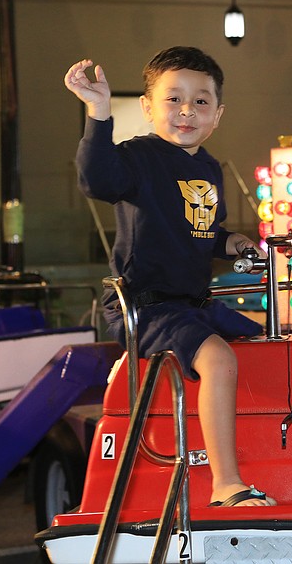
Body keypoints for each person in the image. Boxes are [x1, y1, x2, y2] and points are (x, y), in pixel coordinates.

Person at [64, 46, 275, 507]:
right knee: (218, 361)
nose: (187, 110)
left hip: (193, 304)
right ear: (147, 107)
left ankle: (270, 453)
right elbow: (97, 180)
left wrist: (230, 242)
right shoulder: (140, 158)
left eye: (201, 101)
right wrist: (98, 112)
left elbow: (201, 229)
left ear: (217, 114)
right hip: (146, 304)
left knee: (269, 342)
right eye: (173, 98)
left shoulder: (208, 168)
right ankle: (225, 483)